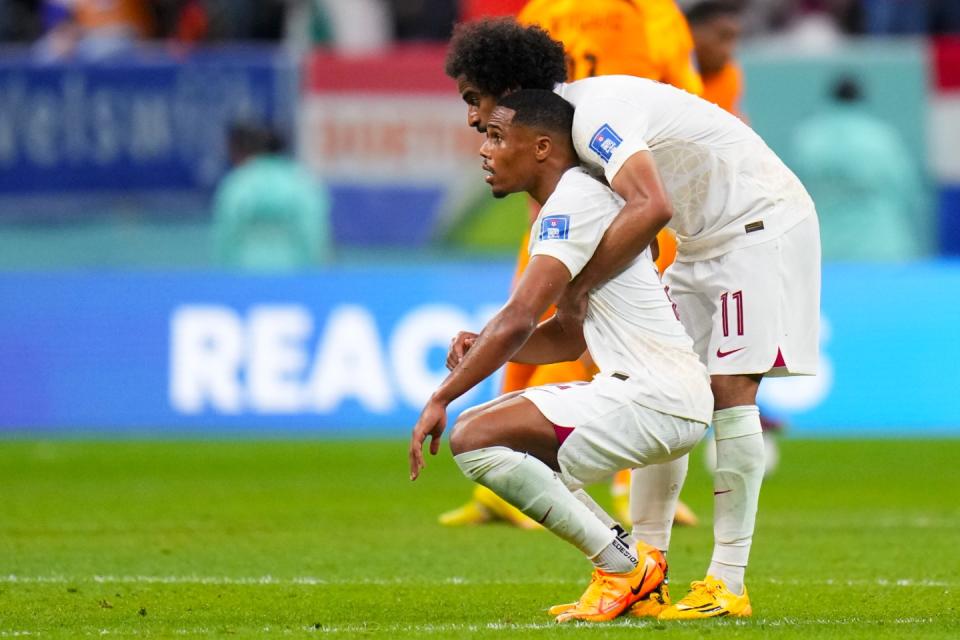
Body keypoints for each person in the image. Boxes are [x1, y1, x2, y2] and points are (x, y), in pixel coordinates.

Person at [444, 18, 821, 619]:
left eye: (474, 99)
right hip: (701, 240)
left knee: (728, 389)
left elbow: (653, 204)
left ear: (508, 88)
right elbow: (643, 227)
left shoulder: (595, 116)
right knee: (669, 382)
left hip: (760, 222)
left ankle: (728, 581)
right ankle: (645, 571)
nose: (471, 119)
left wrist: (580, 287)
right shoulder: (570, 134)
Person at [409, 89, 714, 622]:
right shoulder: (584, 199)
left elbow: (521, 316)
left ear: (544, 147)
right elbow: (568, 336)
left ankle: (621, 567)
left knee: (471, 437)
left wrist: (441, 396)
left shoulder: (573, 201)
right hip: (662, 392)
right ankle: (629, 568)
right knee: (492, 434)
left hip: (654, 396)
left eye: (499, 137)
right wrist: (485, 343)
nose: (485, 149)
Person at [439, 0, 704, 533]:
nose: (473, 119)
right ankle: (540, 483)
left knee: (591, 332)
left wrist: (441, 399)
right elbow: (681, 88)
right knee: (543, 325)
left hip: (602, 191)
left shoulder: (549, 11)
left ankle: (619, 492)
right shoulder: (650, 12)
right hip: (590, 180)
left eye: (475, 104)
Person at [791, 76, 923, 261]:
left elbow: (792, 195)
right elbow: (907, 189)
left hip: (824, 248)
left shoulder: (808, 138)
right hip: (881, 248)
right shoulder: (881, 138)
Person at [212, 122, 333, 271]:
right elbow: (313, 233)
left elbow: (227, 234)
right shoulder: (303, 182)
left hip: (246, 275)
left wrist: (226, 273)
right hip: (295, 276)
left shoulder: (239, 182)